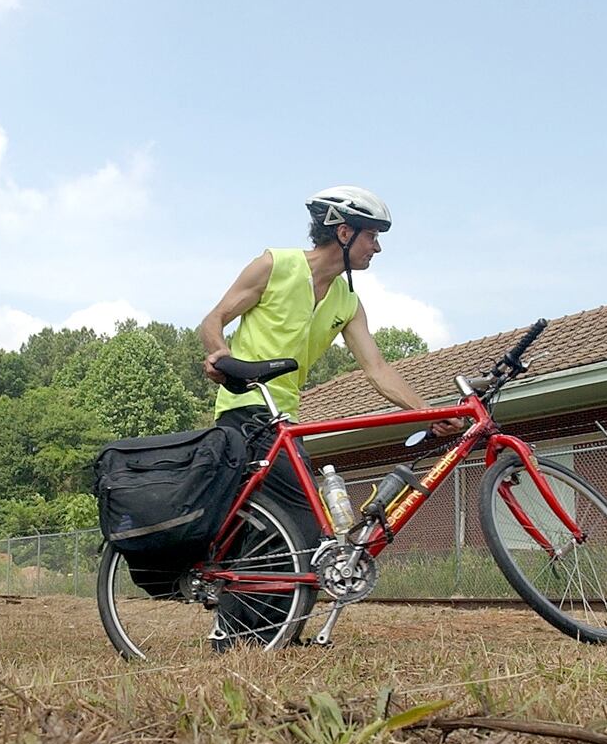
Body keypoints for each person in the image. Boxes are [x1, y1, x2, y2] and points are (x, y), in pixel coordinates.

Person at [198, 185, 461, 523]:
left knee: (287, 524)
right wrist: (220, 353)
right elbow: (213, 319)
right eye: (372, 236)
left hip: (286, 416)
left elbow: (377, 369)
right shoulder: (274, 266)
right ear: (344, 232)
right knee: (307, 520)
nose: (378, 247)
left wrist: (427, 412)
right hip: (245, 408)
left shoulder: (347, 301)